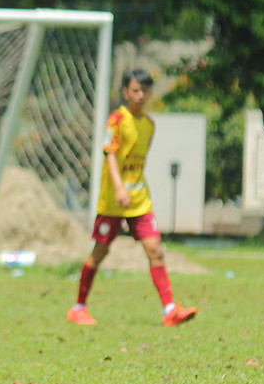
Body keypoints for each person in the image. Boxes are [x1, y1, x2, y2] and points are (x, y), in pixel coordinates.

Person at [67, 69, 196, 327]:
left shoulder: (149, 125)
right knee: (100, 251)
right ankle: (78, 306)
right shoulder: (116, 120)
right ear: (126, 93)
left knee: (155, 249)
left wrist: (130, 188)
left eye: (145, 91)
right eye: (135, 90)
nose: (141, 95)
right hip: (113, 200)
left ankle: (169, 309)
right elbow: (110, 155)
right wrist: (118, 188)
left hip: (139, 199)